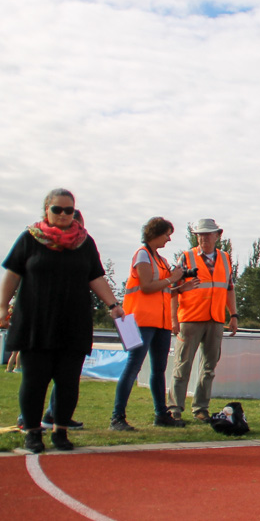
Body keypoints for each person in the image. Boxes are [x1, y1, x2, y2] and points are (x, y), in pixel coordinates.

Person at [0, 189, 125, 453]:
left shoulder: (85, 242)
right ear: (46, 209)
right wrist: (2, 307)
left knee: (68, 382)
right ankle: (33, 432)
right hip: (36, 322)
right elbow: (12, 275)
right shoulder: (29, 239)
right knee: (34, 381)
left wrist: (113, 305)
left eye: (69, 210)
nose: (63, 215)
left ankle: (60, 431)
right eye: (57, 209)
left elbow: (96, 276)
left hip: (74, 322)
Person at [110, 217, 192, 431]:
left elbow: (162, 289)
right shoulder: (143, 254)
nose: (169, 238)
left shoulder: (161, 259)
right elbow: (146, 287)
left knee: (159, 369)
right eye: (167, 234)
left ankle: (160, 414)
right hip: (139, 320)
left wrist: (181, 288)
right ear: (155, 233)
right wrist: (173, 279)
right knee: (133, 366)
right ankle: (117, 417)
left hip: (160, 322)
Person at [167, 218, 238, 423]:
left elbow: (229, 289)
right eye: (200, 234)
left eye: (208, 234)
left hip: (215, 319)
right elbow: (172, 290)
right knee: (182, 364)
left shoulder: (225, 258)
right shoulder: (186, 257)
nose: (204, 237)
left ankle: (200, 408)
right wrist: (174, 319)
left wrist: (233, 315)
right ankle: (175, 408)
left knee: (209, 367)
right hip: (189, 319)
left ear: (217, 235)